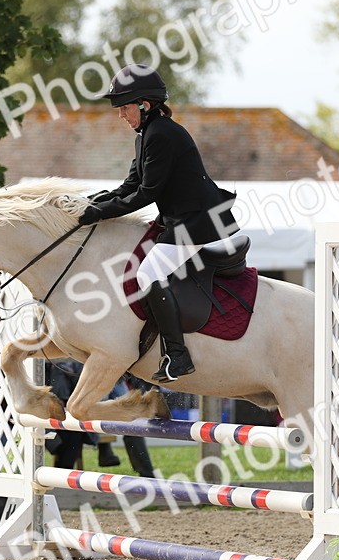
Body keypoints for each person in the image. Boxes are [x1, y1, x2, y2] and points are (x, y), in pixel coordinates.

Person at [77, 63, 242, 383]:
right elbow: (130, 187)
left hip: (199, 223)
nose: (121, 115)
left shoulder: (163, 135)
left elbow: (147, 193)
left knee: (148, 273)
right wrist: (93, 203)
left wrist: (101, 213)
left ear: (145, 105)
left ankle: (178, 355)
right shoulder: (147, 136)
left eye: (124, 108)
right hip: (178, 220)